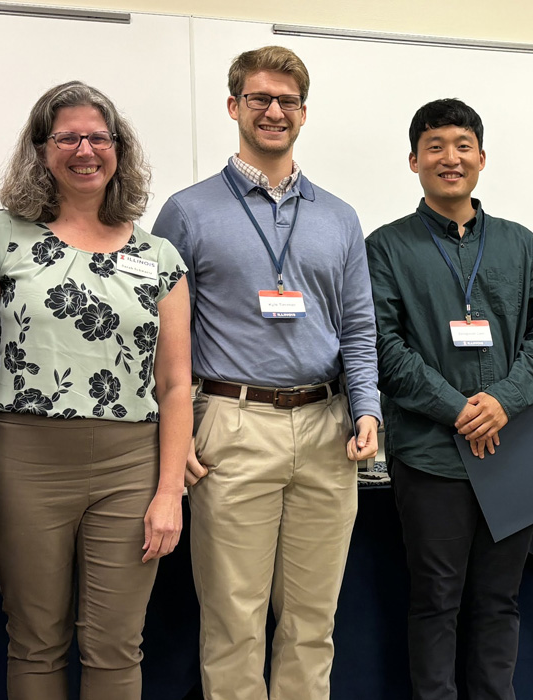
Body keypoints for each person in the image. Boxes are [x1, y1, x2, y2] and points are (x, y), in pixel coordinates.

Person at [150, 46, 380, 700]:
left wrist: (367, 409)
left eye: (287, 101)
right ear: (234, 107)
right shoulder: (187, 213)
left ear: (304, 113)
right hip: (232, 425)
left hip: (327, 427)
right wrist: (181, 432)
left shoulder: (338, 216)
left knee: (313, 623)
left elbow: (358, 327)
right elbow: (166, 338)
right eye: (259, 99)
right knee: (234, 621)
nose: (273, 111)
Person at [0, 81, 192, 700]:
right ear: (41, 149)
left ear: (119, 149)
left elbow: (174, 384)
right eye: (67, 137)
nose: (85, 150)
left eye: (98, 137)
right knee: (35, 641)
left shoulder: (160, 254)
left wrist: (170, 490)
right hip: (23, 460)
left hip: (130, 463)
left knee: (116, 644)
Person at [366, 98, 533, 700]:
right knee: (435, 600)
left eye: (461, 145)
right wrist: (457, 408)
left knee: (501, 600)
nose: (449, 158)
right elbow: (382, 344)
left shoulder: (521, 245)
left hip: (517, 444)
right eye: (435, 146)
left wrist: (502, 401)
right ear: (413, 160)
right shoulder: (386, 247)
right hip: (429, 450)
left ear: (481, 158)